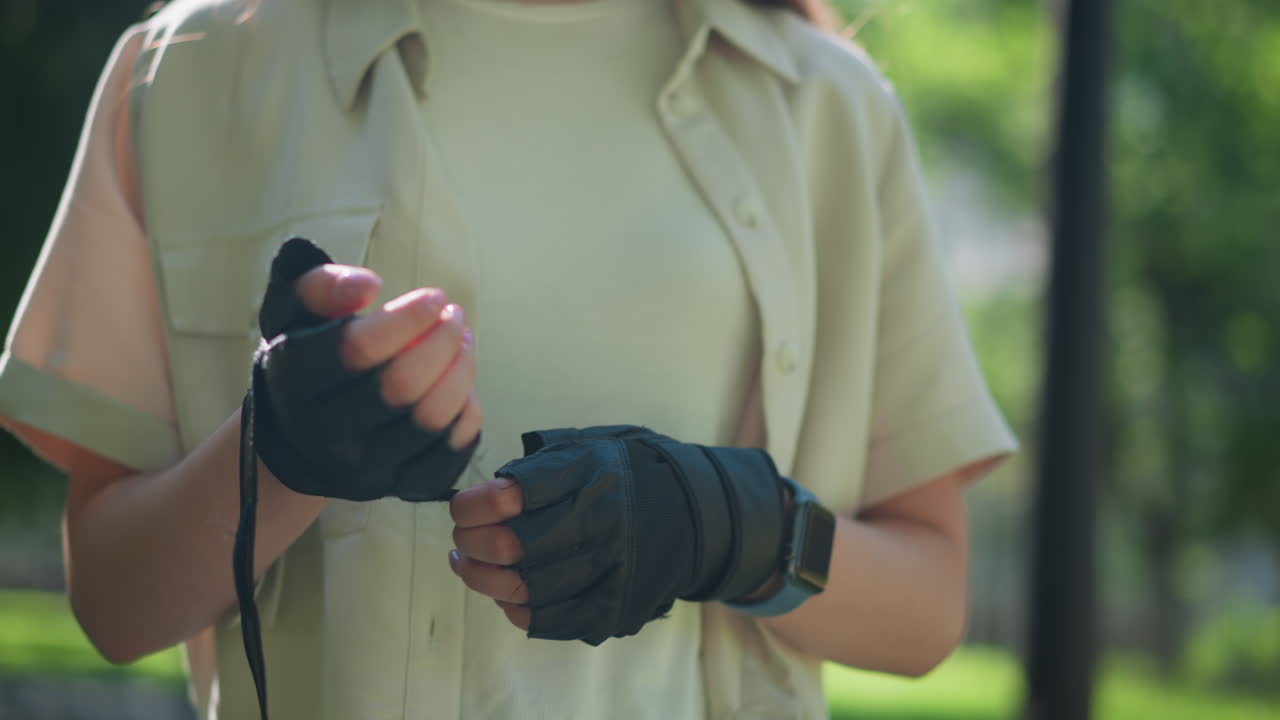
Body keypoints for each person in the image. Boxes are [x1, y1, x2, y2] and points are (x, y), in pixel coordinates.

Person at [0, 0, 1017, 717]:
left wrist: (732, 527)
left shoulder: (829, 108)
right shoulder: (187, 72)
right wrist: (273, 454)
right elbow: (114, 604)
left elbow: (926, 606)